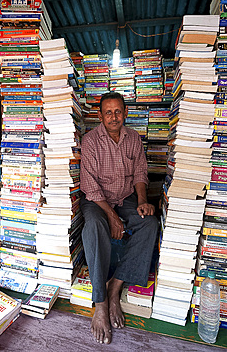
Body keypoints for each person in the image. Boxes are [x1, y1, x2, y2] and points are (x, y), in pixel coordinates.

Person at [80, 92, 158, 345]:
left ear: (125, 113)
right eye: (108, 112)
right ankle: (101, 301)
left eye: (118, 111)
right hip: (98, 200)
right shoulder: (90, 141)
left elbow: (140, 173)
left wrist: (143, 200)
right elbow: (90, 186)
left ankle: (116, 286)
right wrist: (112, 218)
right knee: (93, 226)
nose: (114, 117)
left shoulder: (133, 138)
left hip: (125, 198)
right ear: (100, 116)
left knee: (149, 223)